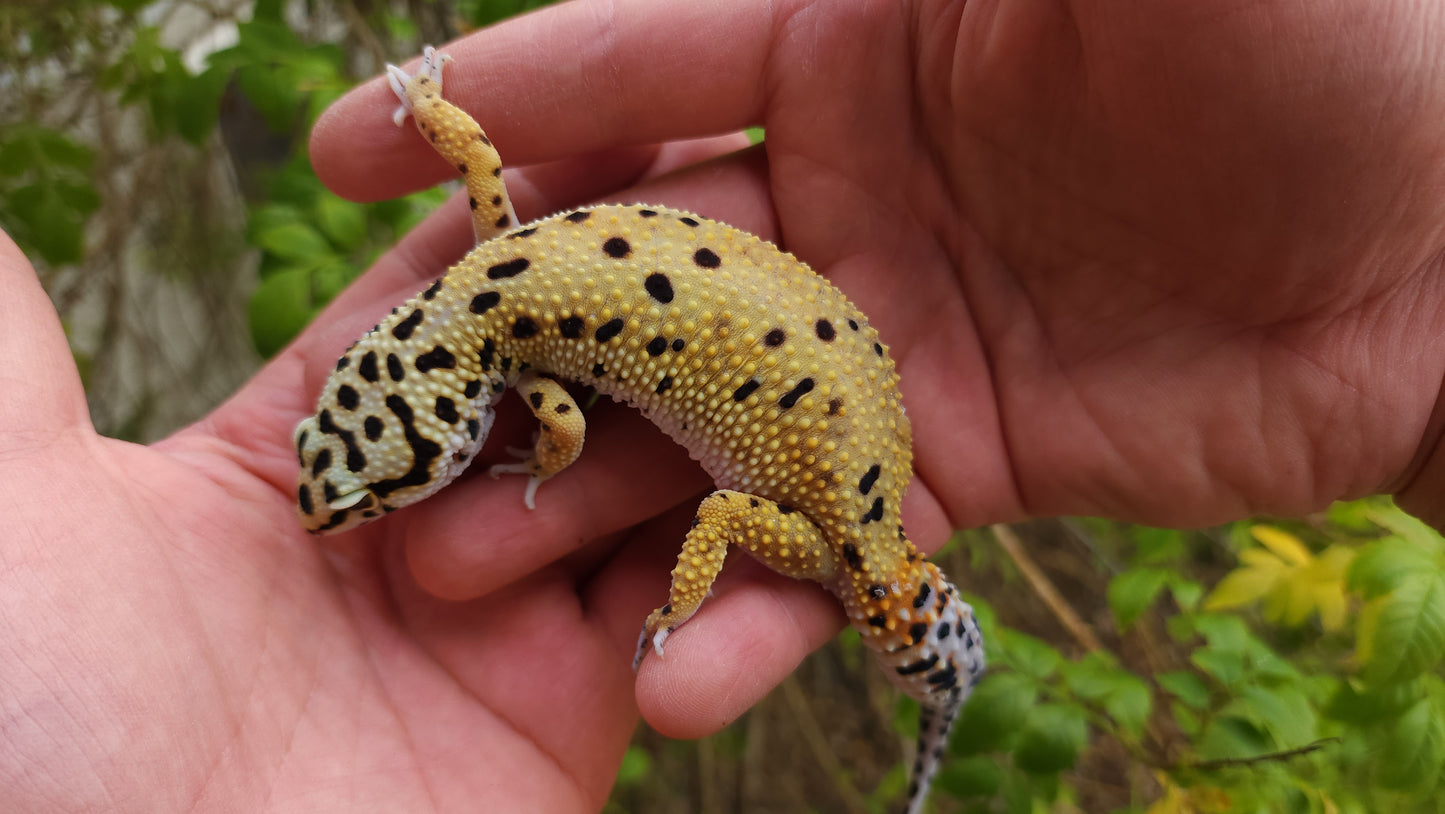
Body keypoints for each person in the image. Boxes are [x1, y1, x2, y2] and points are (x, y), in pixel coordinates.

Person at [5, 1, 1444, 810]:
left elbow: (645, 484)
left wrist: (673, 587)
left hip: (821, 384)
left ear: (434, 410)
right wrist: (423, 94)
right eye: (358, 476)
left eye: (371, 478)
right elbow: (472, 151)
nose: (354, 500)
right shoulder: (492, 254)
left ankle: (936, 746)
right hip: (832, 372)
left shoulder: (786, 525)